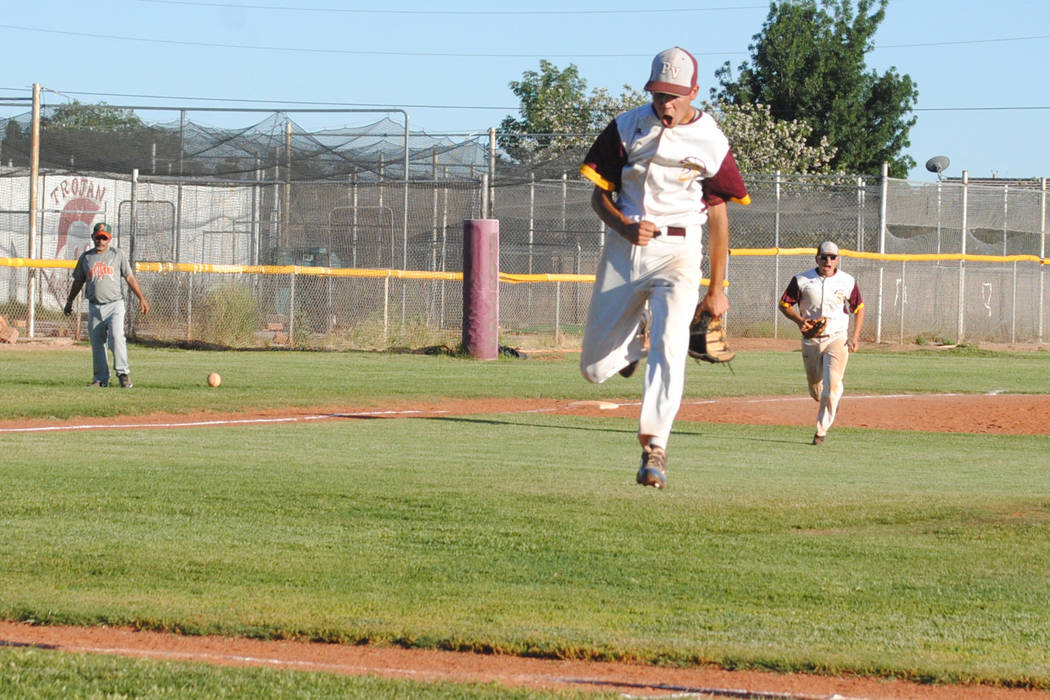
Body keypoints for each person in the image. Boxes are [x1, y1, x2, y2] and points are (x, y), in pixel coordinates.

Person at [578, 47, 750, 489]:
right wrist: (621, 224)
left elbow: (718, 215)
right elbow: (599, 195)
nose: (665, 103)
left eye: (674, 95)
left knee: (672, 343)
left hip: (680, 252)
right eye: (658, 94)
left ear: (694, 91)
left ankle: (655, 446)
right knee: (595, 369)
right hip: (626, 249)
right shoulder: (625, 127)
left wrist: (717, 287)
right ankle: (635, 347)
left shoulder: (711, 139)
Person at [777, 241, 865, 445]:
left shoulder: (847, 281)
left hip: (837, 337)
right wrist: (800, 321)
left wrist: (855, 337)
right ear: (816, 258)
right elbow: (784, 304)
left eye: (832, 257)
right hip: (811, 340)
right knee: (816, 389)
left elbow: (859, 308)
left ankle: (821, 431)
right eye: (824, 256)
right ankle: (830, 400)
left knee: (831, 387)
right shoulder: (802, 280)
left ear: (837, 260)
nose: (828, 261)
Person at [63, 222, 150, 388]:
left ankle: (123, 374)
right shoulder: (86, 258)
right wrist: (69, 301)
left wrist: (141, 298)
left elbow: (130, 277)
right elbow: (78, 282)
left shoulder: (117, 255)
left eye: (104, 238)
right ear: (93, 237)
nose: (101, 241)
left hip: (115, 304)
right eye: (98, 237)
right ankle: (101, 379)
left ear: (109, 239)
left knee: (117, 337)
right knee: (97, 343)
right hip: (95, 306)